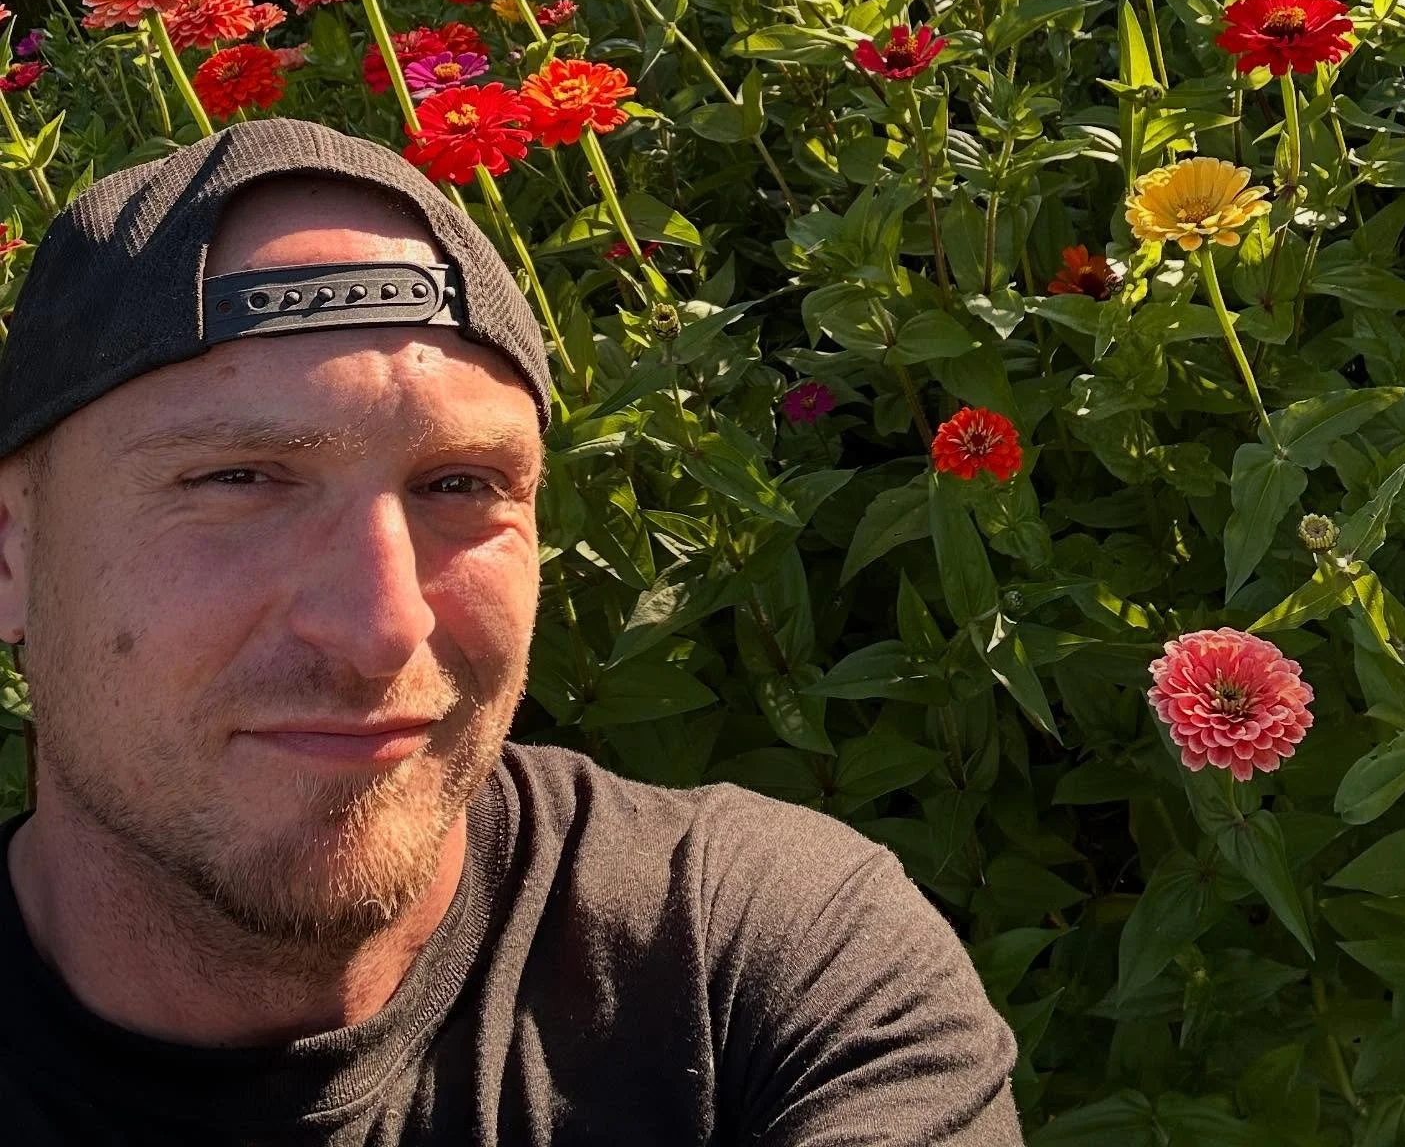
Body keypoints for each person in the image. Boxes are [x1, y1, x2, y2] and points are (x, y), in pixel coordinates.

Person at [0, 118, 1023, 1144]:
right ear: (11, 555)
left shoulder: (756, 964)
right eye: (237, 479)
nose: (382, 628)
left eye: (460, 485)